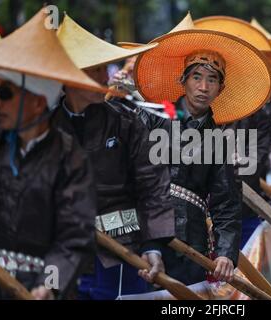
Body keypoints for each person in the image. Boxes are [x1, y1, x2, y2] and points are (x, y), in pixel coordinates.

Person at [0, 9, 103, 299]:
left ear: (37, 102)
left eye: (6, 94)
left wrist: (49, 284)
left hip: (37, 289)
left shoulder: (71, 159)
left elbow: (74, 239)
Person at [133, 27, 271, 285]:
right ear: (182, 81)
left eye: (212, 80)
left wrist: (225, 253)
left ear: (220, 89)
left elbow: (226, 202)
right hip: (144, 231)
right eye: (196, 77)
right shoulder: (150, 117)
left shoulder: (219, 140)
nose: (203, 87)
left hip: (191, 241)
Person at [54, 14, 175, 300]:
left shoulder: (127, 122)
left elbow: (153, 185)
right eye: (94, 70)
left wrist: (154, 245)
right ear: (69, 76)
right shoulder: (42, 127)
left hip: (121, 248)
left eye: (103, 69)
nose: (105, 78)